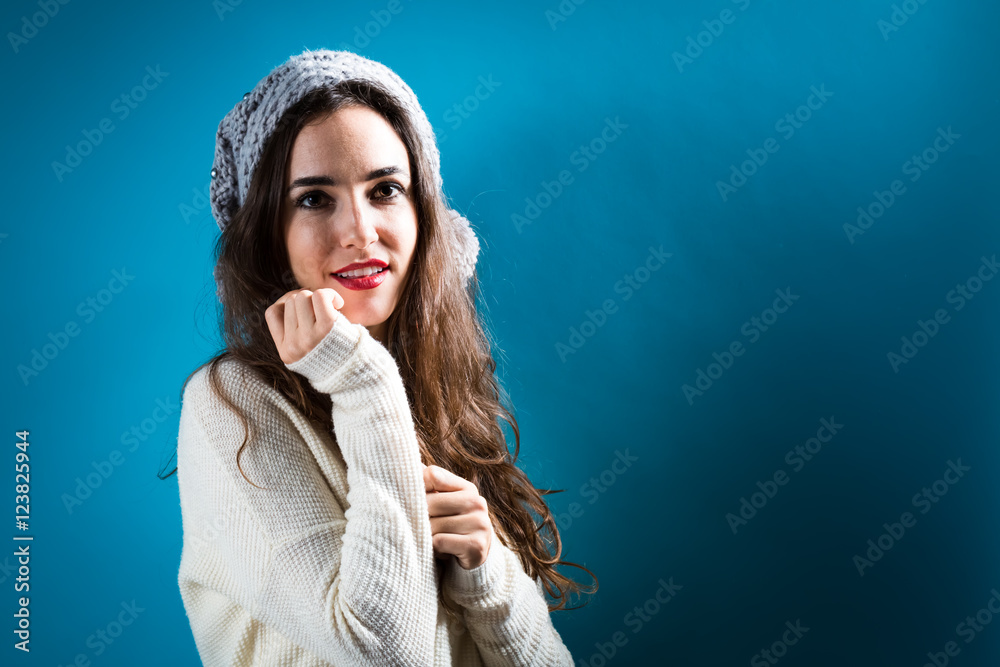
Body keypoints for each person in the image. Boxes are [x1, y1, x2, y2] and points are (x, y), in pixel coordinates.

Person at [166, 48, 597, 666]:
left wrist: (489, 577)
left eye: (386, 190)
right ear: (268, 234)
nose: (361, 231)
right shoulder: (231, 403)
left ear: (423, 213)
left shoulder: (440, 395)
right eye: (314, 199)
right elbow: (385, 654)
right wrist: (363, 382)